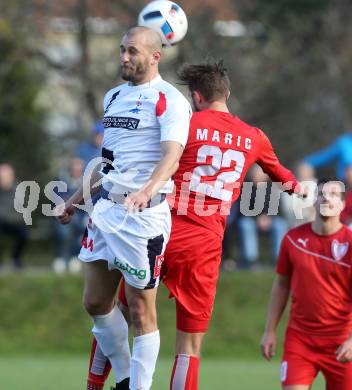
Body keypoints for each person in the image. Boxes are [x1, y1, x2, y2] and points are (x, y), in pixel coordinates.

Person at [85, 60, 305, 390]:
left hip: (159, 230)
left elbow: (153, 158)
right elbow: (286, 180)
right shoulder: (254, 137)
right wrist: (304, 192)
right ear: (227, 93)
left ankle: (95, 383)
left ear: (196, 97)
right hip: (203, 244)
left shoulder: (186, 123)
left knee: (120, 313)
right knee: (189, 346)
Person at [57, 26, 191, 390]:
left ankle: (138, 387)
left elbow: (173, 156)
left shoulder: (170, 100)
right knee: (96, 302)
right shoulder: (113, 96)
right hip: (105, 213)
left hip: (143, 220)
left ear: (155, 56)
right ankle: (126, 377)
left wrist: (147, 190)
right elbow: (107, 165)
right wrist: (74, 201)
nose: (124, 57)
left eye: (132, 51)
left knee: (140, 310)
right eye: (122, 50)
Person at [260, 179, 352, 389]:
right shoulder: (293, 239)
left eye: (333, 194)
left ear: (342, 204)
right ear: (314, 201)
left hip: (341, 341)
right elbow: (281, 285)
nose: (326, 198)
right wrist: (269, 331)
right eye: (321, 193)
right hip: (300, 340)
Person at [52, 157, 87, 273]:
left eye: (79, 169)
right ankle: (61, 259)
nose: (76, 171)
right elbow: (58, 199)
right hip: (66, 213)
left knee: (83, 228)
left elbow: (89, 201)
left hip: (82, 215)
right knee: (64, 232)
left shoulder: (87, 183)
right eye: (74, 169)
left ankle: (75, 257)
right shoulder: (60, 182)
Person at [0, 163, 28, 269]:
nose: (4, 180)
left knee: (23, 233)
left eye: (6, 177)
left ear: (12, 176)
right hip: (1, 222)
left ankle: (16, 259)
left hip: (14, 223)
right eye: (2, 177)